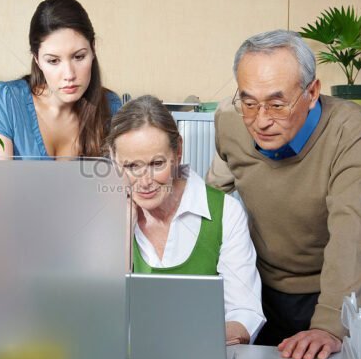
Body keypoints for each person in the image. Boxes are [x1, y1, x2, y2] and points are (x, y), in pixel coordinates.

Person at [207, 30, 361, 359]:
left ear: (312, 92)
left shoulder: (352, 130)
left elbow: (354, 233)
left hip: (337, 287)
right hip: (264, 288)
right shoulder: (230, 122)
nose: (261, 121)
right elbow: (211, 198)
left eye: (277, 104)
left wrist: (330, 326)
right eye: (249, 102)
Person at [107, 95, 265, 345]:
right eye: (131, 166)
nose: (145, 180)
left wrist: (187, 341)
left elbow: (245, 312)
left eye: (157, 163)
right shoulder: (106, 216)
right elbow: (98, 316)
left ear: (178, 151)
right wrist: (122, 234)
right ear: (114, 160)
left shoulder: (225, 212)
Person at [0, 0, 121, 158]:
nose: (69, 74)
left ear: (93, 49)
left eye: (79, 57)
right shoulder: (5, 101)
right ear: (37, 59)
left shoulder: (112, 107)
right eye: (53, 61)